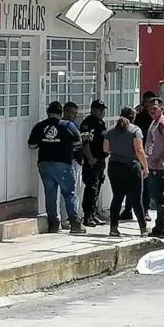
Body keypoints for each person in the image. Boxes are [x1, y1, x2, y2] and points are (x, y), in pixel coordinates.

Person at [28, 101, 86, 235]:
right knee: (69, 194)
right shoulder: (68, 125)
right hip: (63, 164)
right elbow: (78, 142)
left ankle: (53, 224)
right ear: (61, 114)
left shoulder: (40, 126)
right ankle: (75, 224)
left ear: (48, 113)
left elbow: (32, 145)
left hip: (45, 164)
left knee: (50, 194)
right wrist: (66, 145)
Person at [104, 107, 149, 237]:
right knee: (136, 199)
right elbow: (139, 150)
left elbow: (106, 149)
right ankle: (143, 228)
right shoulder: (135, 130)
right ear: (133, 117)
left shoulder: (111, 130)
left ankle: (113, 228)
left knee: (117, 197)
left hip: (114, 166)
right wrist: (145, 167)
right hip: (131, 167)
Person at [121, 91, 156, 222]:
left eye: (150, 102)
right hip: (133, 152)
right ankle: (128, 210)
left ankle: (145, 211)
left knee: (145, 185)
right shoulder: (139, 114)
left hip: (147, 153)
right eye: (145, 102)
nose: (147, 105)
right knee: (130, 183)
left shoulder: (154, 115)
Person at [145, 98, 164, 239]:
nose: (152, 110)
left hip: (159, 167)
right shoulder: (154, 122)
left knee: (161, 198)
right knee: (156, 198)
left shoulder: (163, 123)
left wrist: (160, 157)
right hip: (152, 165)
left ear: (161, 109)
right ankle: (159, 226)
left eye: (155, 108)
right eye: (150, 108)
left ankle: (161, 228)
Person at [80, 100, 109, 227]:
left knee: (97, 187)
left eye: (103, 109)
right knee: (91, 187)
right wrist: (90, 158)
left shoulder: (100, 123)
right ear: (92, 110)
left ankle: (93, 214)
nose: (102, 112)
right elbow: (85, 143)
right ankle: (87, 216)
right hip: (92, 160)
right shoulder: (88, 124)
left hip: (100, 160)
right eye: (99, 109)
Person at [58, 102, 82, 230]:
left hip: (76, 160)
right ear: (65, 112)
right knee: (68, 191)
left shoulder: (72, 125)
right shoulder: (64, 126)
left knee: (75, 191)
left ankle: (73, 216)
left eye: (75, 114)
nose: (74, 116)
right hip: (68, 161)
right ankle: (66, 218)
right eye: (72, 113)